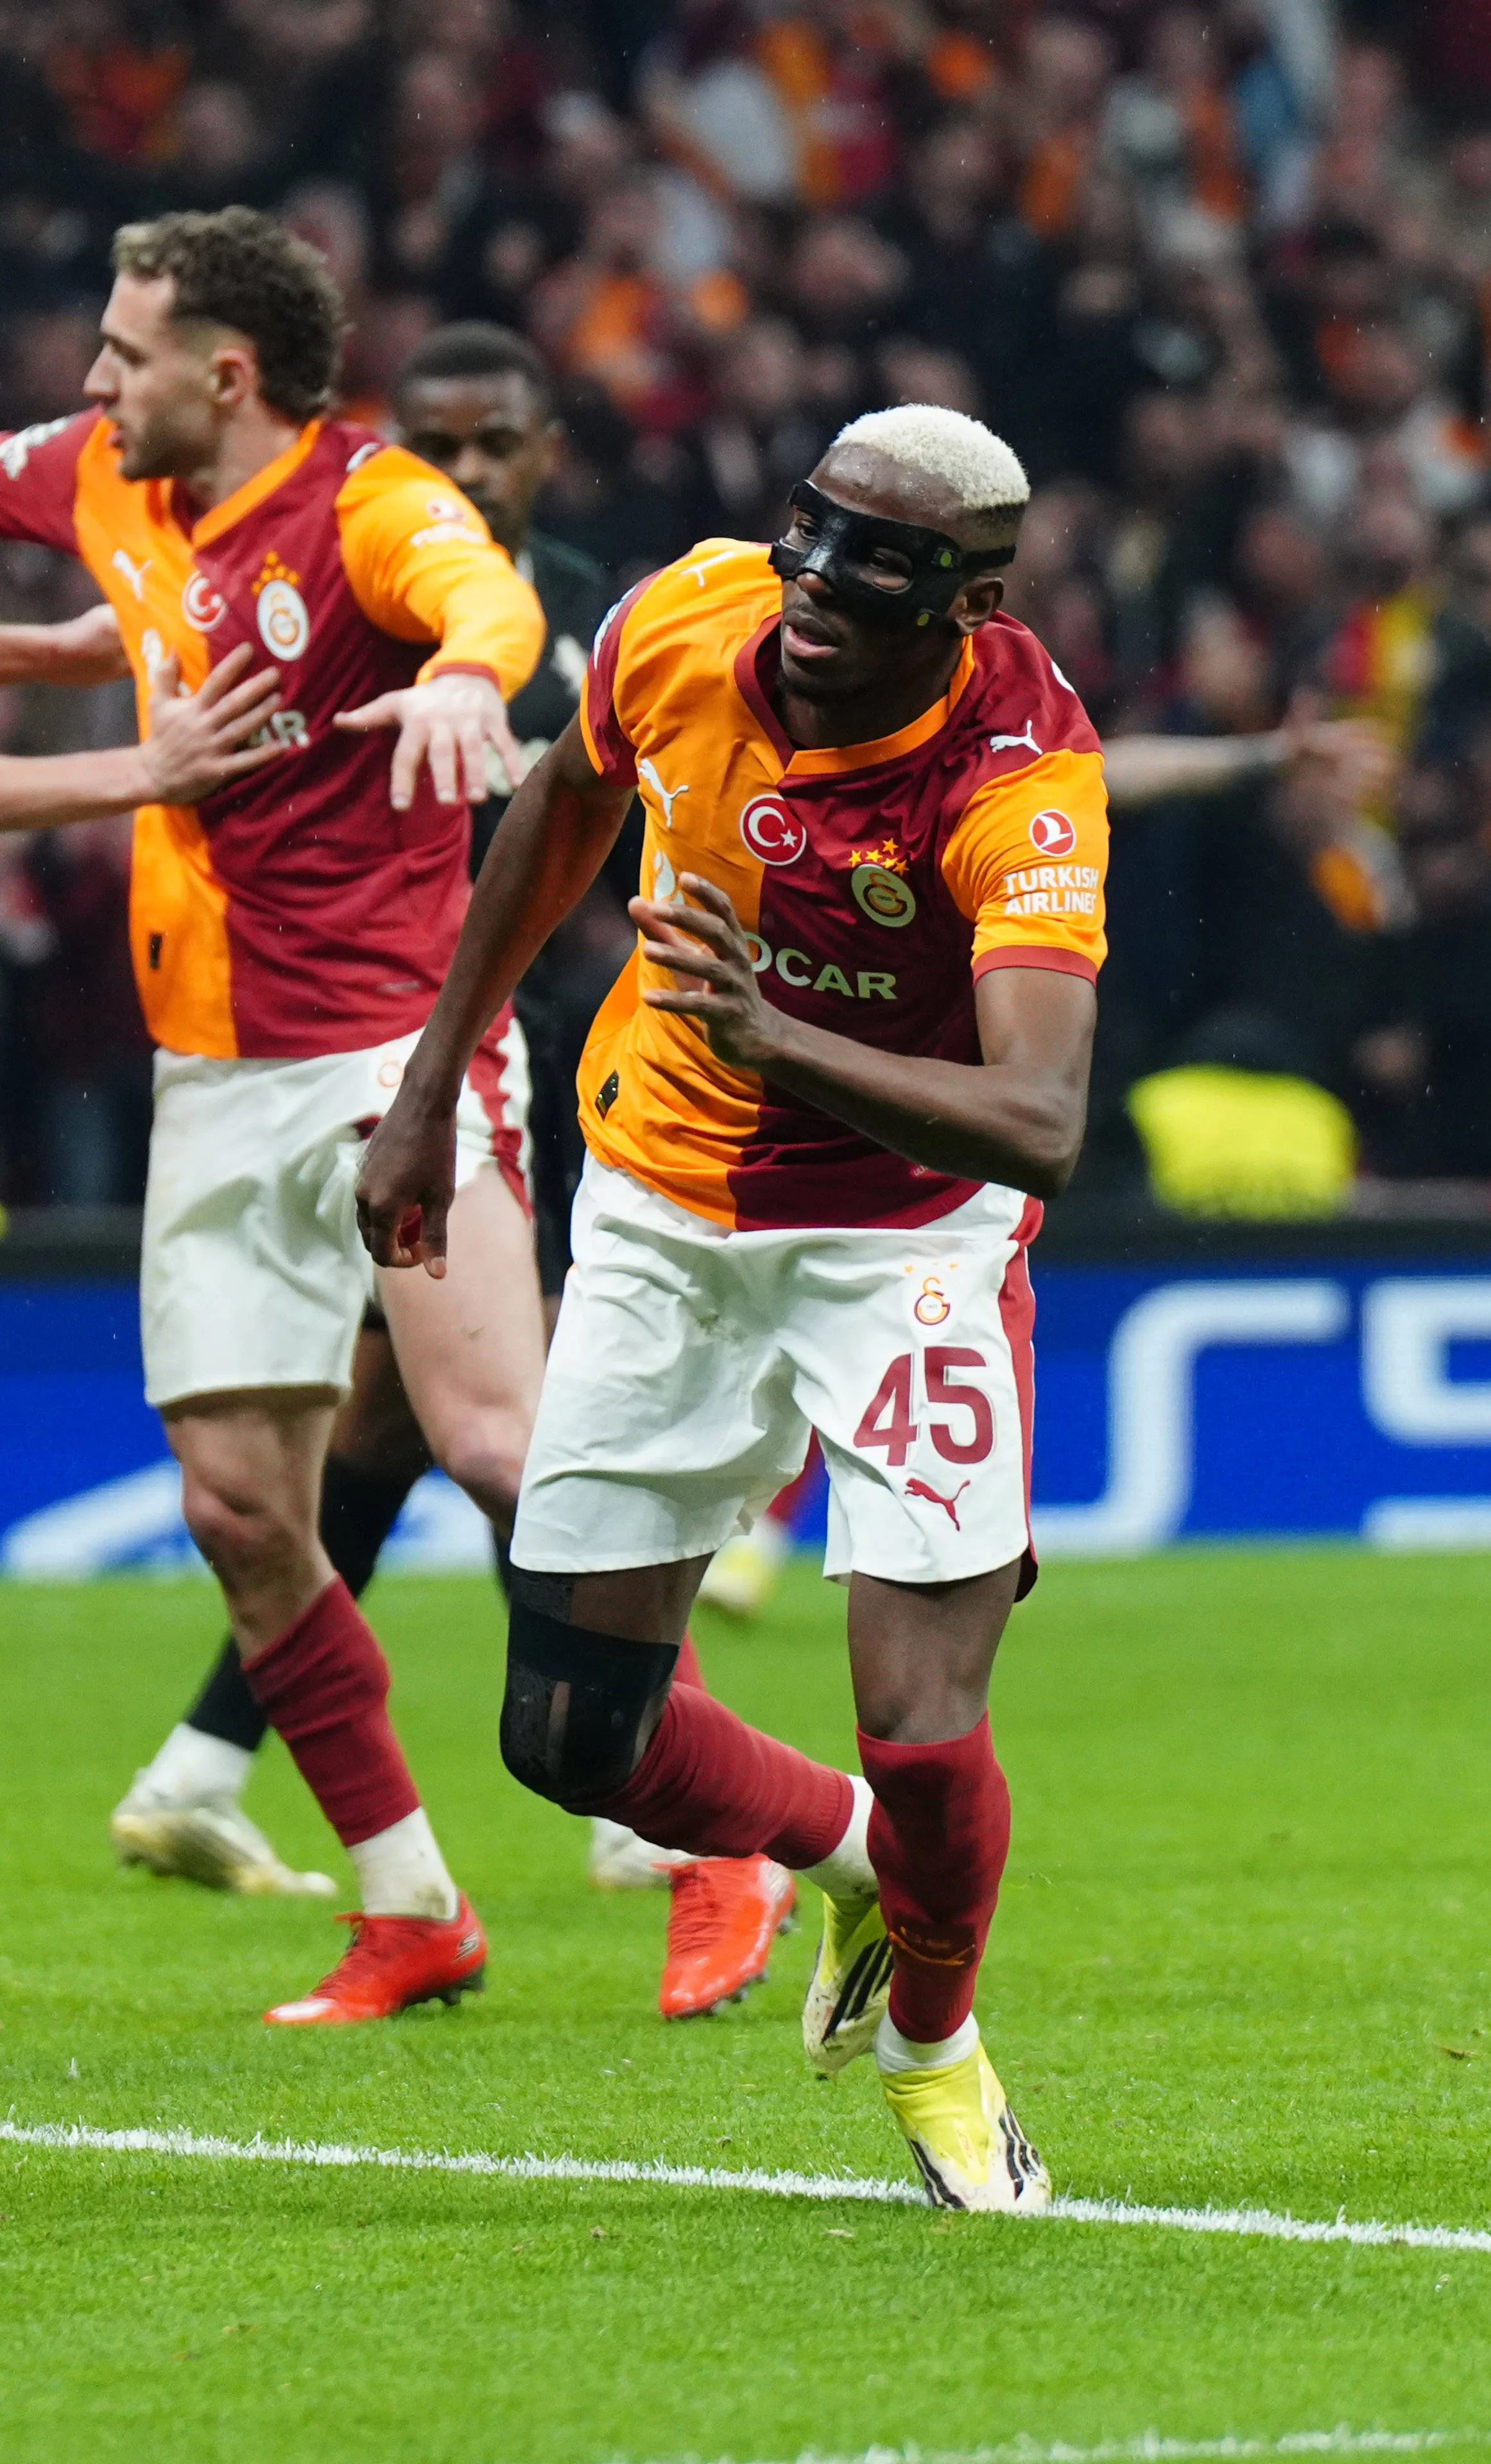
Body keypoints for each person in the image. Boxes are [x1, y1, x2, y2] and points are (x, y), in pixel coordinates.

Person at [359, 404, 1105, 2209]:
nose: (821, 585)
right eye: (813, 530)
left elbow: (1042, 1121)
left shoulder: (1018, 772)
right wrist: (431, 1079)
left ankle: (934, 2048)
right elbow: (562, 804)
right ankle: (846, 1860)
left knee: (923, 1728)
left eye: (881, 566)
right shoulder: (685, 615)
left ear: (973, 601)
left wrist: (778, 1037)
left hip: (909, 1243)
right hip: (662, 1207)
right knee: (568, 1743)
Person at [0, 209, 551, 2022]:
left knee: (496, 1449)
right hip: (211, 1072)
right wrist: (86, 691)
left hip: (392, 1056)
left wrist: (462, 678)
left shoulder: (367, 502)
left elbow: (488, 598)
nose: (90, 380)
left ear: (225, 376)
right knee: (241, 1510)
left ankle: (717, 1841)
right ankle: (411, 1906)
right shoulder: (106, 472)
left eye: (123, 350)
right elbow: (111, 573)